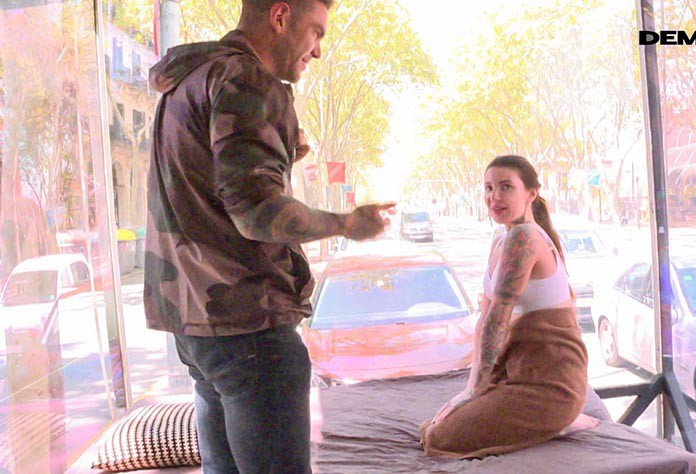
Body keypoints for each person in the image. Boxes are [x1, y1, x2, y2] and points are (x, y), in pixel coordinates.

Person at [144, 1, 393, 472]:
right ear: (280, 17)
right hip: (249, 326)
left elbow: (208, 194)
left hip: (197, 325)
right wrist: (346, 224)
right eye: (315, 32)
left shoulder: (188, 81)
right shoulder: (248, 81)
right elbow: (255, 213)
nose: (317, 50)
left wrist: (277, 156)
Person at [420, 154, 598, 459]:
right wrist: (473, 386)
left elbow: (498, 319)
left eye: (506, 187)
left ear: (531, 193)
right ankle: (554, 421)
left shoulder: (525, 237)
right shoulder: (501, 239)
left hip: (552, 384)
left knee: (438, 439)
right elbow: (485, 318)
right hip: (518, 373)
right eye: (489, 188)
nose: (495, 197)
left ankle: (558, 419)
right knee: (434, 426)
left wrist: (475, 391)